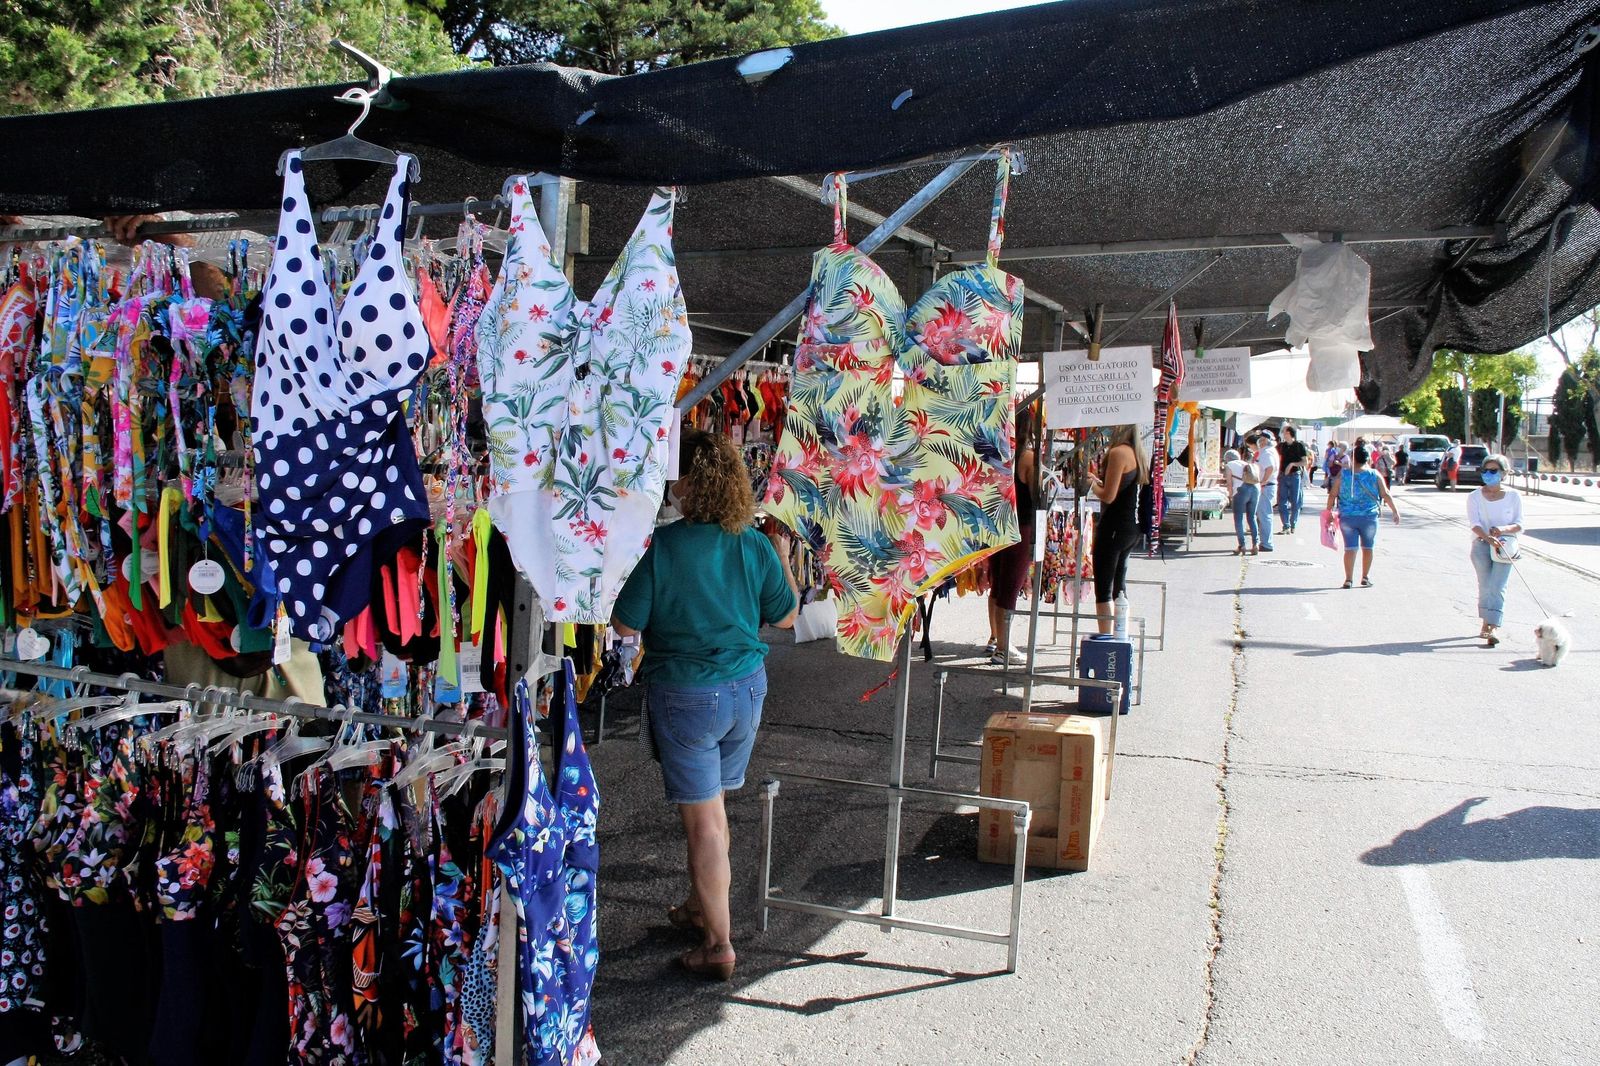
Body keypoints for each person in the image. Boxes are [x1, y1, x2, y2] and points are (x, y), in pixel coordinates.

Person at [611, 429, 800, 981]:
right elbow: (786, 616)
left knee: (704, 825)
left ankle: (719, 943)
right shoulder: (753, 543)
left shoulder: (665, 548)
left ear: (690, 484)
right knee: (715, 812)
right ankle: (701, 907)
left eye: (677, 478)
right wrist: (784, 556)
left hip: (688, 696)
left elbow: (626, 622)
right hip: (746, 689)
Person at [987, 405, 1039, 663]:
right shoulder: (1027, 457)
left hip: (998, 522)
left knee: (998, 584)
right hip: (1020, 525)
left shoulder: (999, 453)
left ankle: (996, 639)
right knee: (1011, 586)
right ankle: (1003, 648)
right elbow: (1036, 493)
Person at [1088, 423, 1150, 633]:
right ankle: (1119, 635)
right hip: (1131, 526)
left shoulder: (1118, 453)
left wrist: (1091, 484)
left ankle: (1106, 640)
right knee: (1119, 587)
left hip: (1113, 527)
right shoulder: (1137, 454)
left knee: (1104, 588)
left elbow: (1108, 495)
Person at [1466, 453, 1523, 646]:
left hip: (1505, 546)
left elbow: (1519, 524)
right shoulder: (1474, 496)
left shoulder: (1513, 496)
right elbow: (1474, 523)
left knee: (1498, 586)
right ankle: (1485, 622)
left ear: (1504, 473)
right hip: (1482, 544)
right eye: (1485, 471)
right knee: (1485, 585)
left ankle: (1494, 625)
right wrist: (1487, 537)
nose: (1489, 474)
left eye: (1493, 471)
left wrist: (1502, 530)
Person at [1326, 444, 1401, 588]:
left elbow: (1332, 495)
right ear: (1367, 459)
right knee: (1368, 547)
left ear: (1353, 458)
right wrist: (1395, 511)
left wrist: (1329, 512)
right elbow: (1385, 494)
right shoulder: (1374, 474)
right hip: (1369, 518)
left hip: (1347, 517)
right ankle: (1365, 577)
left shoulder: (1344, 474)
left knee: (1350, 548)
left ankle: (1348, 579)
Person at [1223, 446, 1260, 555]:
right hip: (1255, 489)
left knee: (1238, 518)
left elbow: (1229, 483)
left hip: (1241, 490)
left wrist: (1230, 496)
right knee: (1252, 517)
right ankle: (1255, 544)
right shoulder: (1245, 463)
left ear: (1227, 458)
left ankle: (1242, 545)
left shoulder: (1229, 465)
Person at [1276, 425, 1309, 532]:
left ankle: (1293, 523)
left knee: (1295, 501)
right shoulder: (1281, 446)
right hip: (1283, 475)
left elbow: (1305, 462)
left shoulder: (1299, 446)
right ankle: (1286, 525)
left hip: (1295, 475)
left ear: (1290, 434)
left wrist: (1292, 464)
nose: (1283, 434)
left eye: (1285, 432)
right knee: (1282, 501)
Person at [1253, 429, 1279, 551]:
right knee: (1264, 514)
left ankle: (1267, 543)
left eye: (1262, 439)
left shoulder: (1267, 452)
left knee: (1264, 515)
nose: (1260, 441)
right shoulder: (1269, 451)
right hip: (1268, 485)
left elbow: (1270, 468)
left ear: (1265, 440)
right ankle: (1265, 542)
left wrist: (1263, 482)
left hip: (1266, 486)